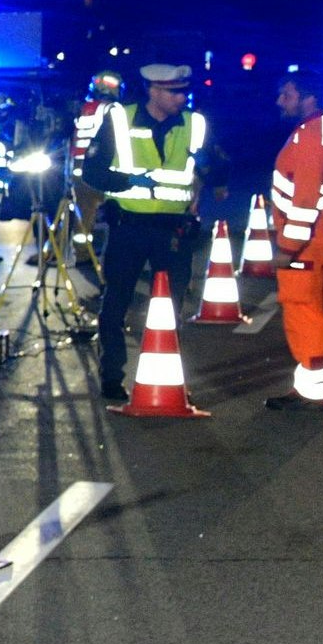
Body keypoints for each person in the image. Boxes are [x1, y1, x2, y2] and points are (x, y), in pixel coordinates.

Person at [87, 61, 210, 402]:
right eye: (175, 92)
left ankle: (164, 377)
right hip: (128, 227)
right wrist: (127, 182)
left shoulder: (194, 123)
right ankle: (112, 377)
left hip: (173, 231)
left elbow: (215, 163)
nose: (183, 97)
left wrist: (207, 175)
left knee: (170, 308)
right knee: (115, 305)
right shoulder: (119, 117)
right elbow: (92, 171)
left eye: (185, 91)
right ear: (153, 91)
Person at [265, 64, 323, 409]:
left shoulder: (309, 136)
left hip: (310, 240)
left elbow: (304, 201)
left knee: (304, 311)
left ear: (308, 98)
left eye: (286, 94)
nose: (280, 101)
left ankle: (313, 391)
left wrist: (287, 248)